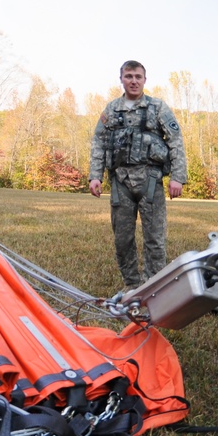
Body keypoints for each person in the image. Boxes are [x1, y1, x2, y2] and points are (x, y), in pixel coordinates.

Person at [89, 60, 187, 289]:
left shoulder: (158, 107)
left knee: (155, 240)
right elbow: (99, 142)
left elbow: (175, 141)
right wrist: (95, 176)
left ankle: (153, 287)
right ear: (121, 79)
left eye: (138, 77)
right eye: (129, 76)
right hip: (120, 182)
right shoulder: (111, 110)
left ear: (145, 79)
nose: (133, 81)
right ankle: (132, 287)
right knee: (122, 240)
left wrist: (177, 177)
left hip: (150, 182)